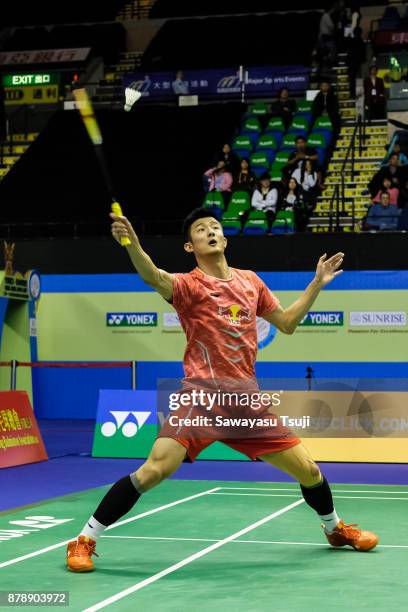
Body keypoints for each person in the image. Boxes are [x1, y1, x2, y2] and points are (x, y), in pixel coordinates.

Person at [66, 207, 378, 572]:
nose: (211, 231)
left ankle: (334, 529)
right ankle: (84, 540)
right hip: (200, 399)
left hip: (245, 402)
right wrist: (132, 243)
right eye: (201, 229)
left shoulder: (250, 282)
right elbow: (152, 275)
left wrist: (316, 283)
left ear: (225, 239)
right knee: (153, 470)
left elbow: (288, 323)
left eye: (215, 227)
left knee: (309, 471)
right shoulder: (187, 286)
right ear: (189, 246)